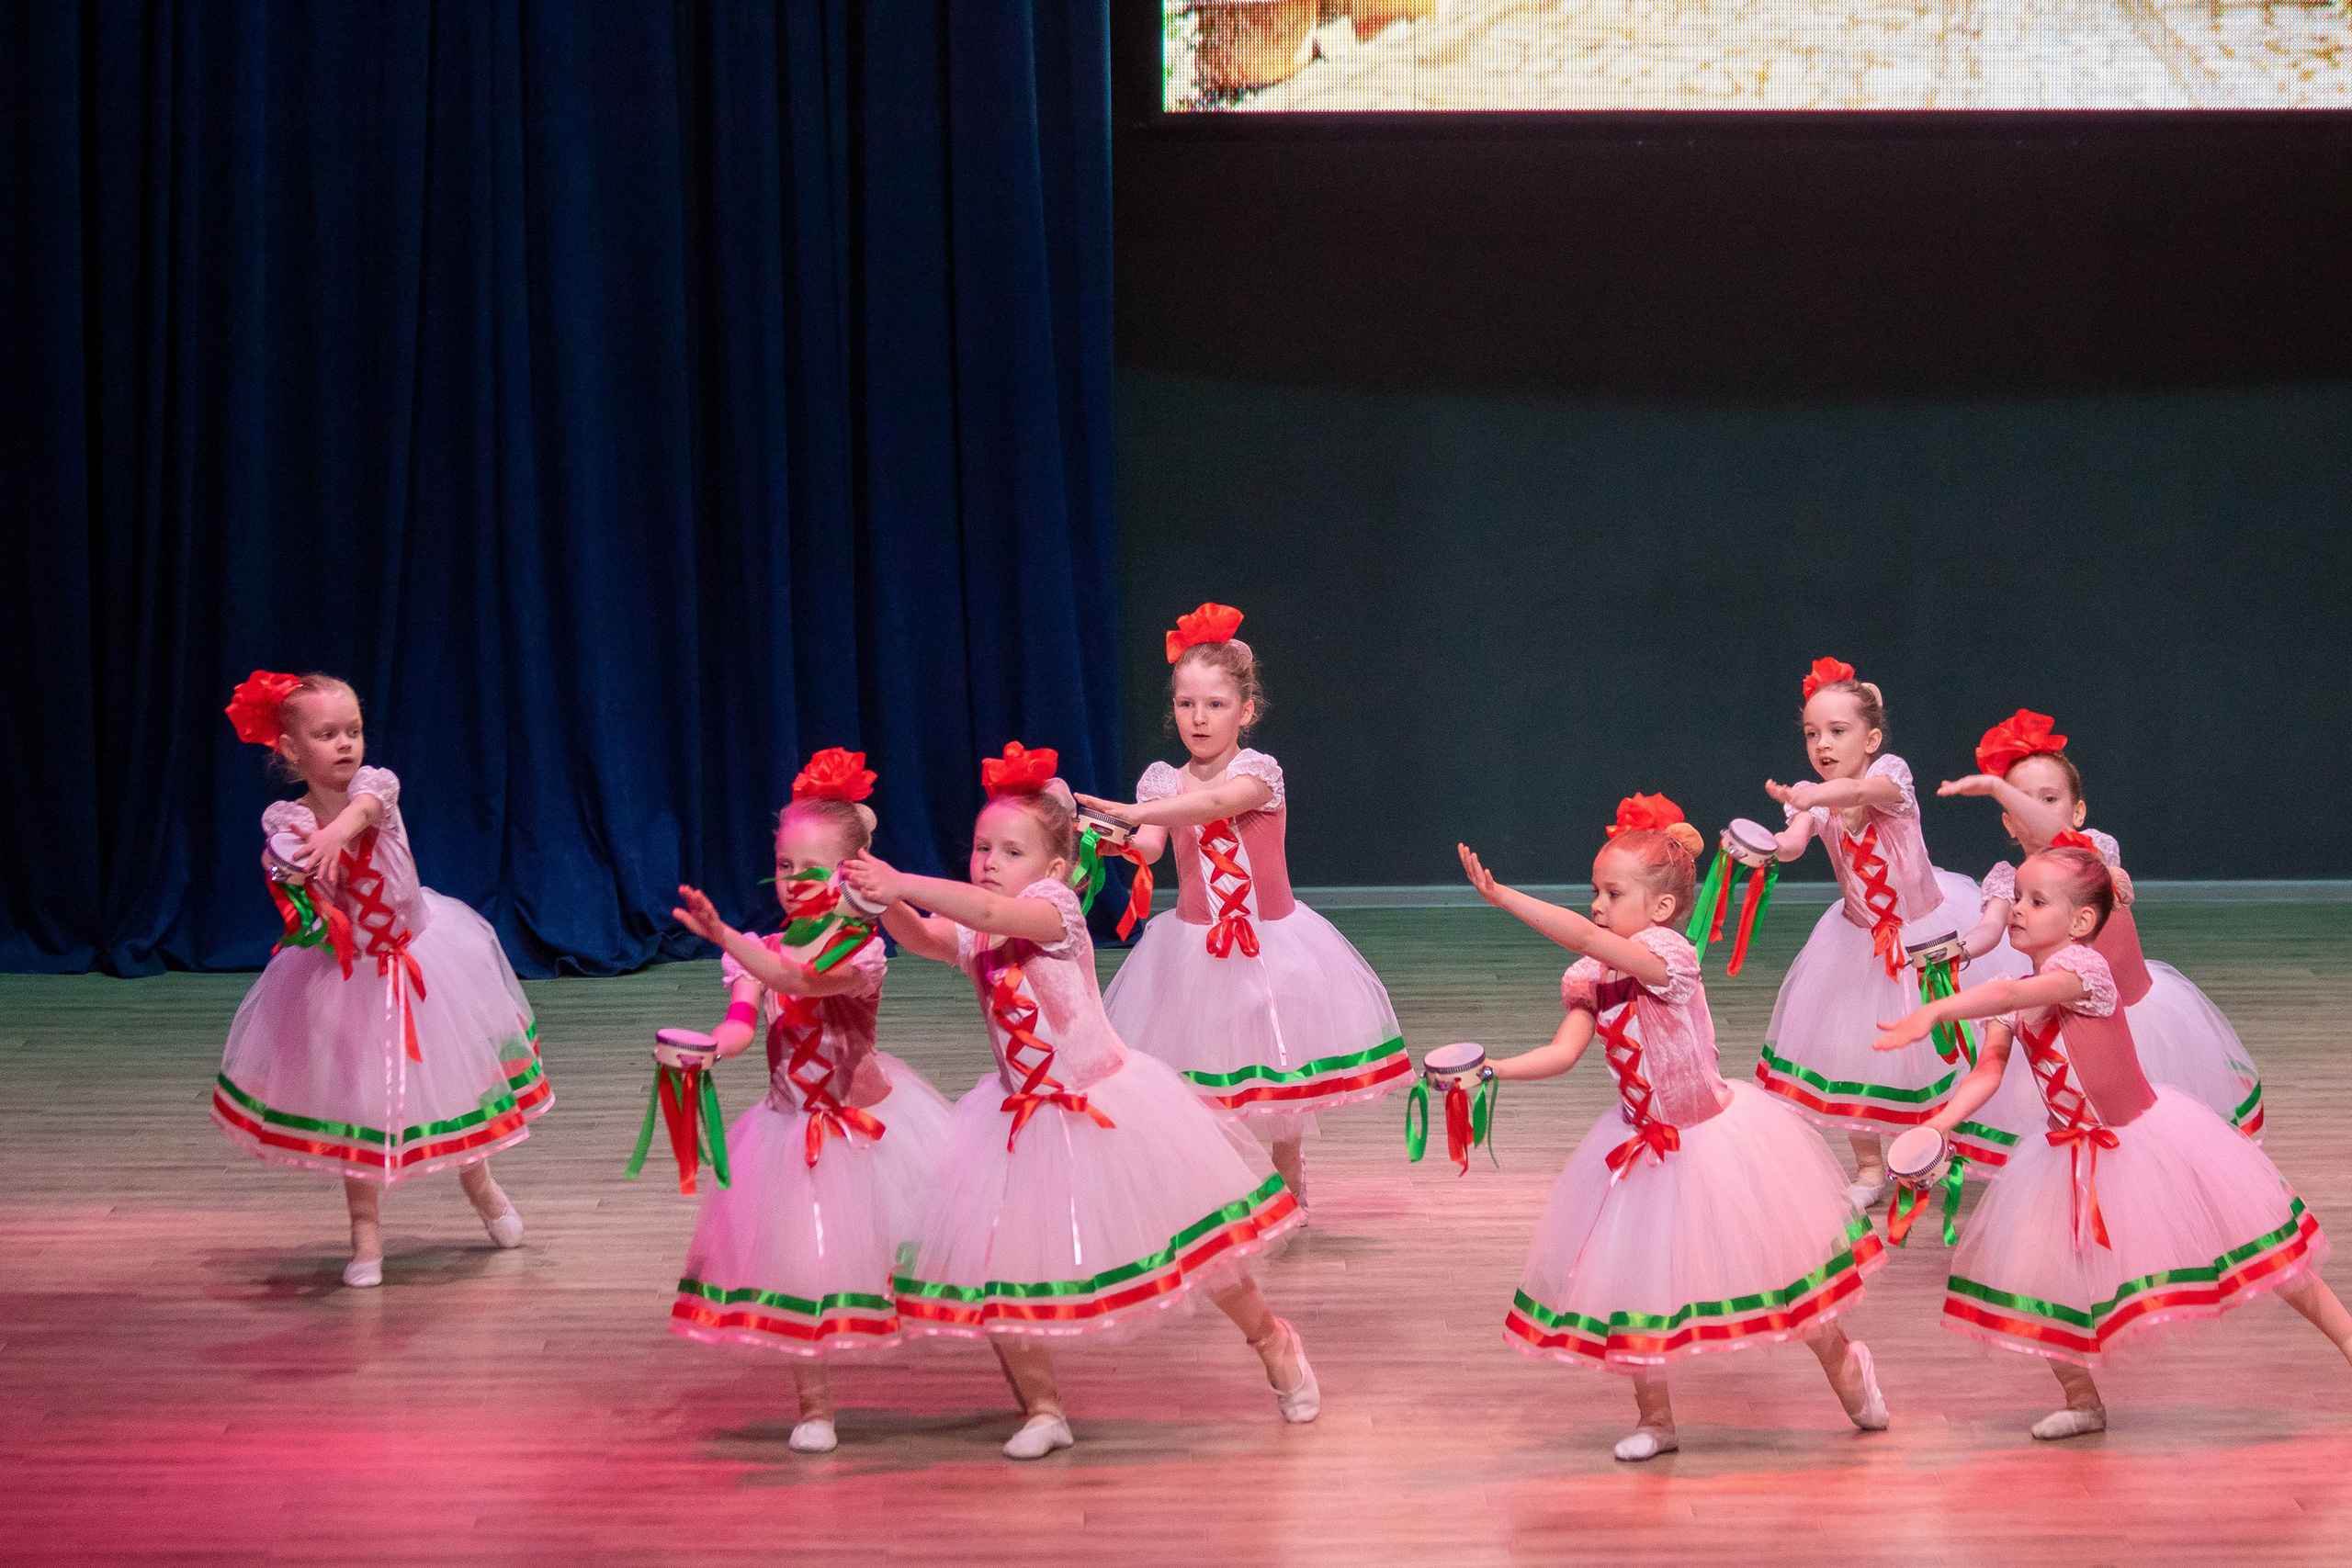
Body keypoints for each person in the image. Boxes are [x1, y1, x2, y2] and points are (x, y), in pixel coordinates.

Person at [845, 743, 1316, 1460]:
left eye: (1011, 849)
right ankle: (1042, 1407)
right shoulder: (983, 923)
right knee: (996, 1268)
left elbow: (981, 907)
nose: (990, 860)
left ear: (1056, 868)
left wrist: (903, 876)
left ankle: (1271, 1338)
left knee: (1197, 1247)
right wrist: (881, 904)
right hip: (1021, 1120)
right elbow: (936, 933)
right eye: (981, 846)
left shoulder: (1053, 910)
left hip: (1108, 1104)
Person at [1455, 795, 1890, 1462]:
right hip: (1641, 1146)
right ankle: (1655, 1418)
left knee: (1785, 1267)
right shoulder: (1594, 975)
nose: (1598, 903)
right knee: (1630, 1286)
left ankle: (1844, 1362)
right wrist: (1492, 1072)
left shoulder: (1669, 955)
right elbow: (1564, 1051)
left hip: (1716, 1141)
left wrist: (1506, 897)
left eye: (1612, 891)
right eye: (1593, 890)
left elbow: (1587, 937)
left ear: (1659, 909)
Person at [1873, 843, 2349, 1438]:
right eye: (2017, 896)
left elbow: (2014, 998)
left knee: (2256, 1241)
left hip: (2146, 1140)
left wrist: (1936, 1011)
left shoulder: (2085, 970)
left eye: (2035, 900)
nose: (2017, 908)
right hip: (2066, 1154)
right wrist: (1938, 1124)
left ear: (2080, 922)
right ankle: (2081, 1398)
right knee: (2037, 1273)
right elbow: (1987, 1071)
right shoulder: (2012, 987)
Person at [212, 671, 548, 1288]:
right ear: (290, 750)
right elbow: (290, 870)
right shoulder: (286, 820)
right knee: (356, 1107)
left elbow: (365, 811)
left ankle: (483, 1187)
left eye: (354, 730)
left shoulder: (375, 787)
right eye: (327, 734)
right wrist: (289, 878)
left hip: (422, 964)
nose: (346, 743)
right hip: (348, 979)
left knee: (456, 1095)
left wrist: (336, 831)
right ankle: (365, 1234)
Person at [666, 748, 953, 1455]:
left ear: (852, 872)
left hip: (867, 1128)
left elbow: (799, 976)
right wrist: (710, 1046)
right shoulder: (758, 949)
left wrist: (726, 935)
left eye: (813, 868)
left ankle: (1024, 1376)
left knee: (931, 1256)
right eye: (786, 867)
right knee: (801, 1266)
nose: (795, 881)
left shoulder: (861, 949)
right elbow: (744, 1015)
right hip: (789, 1129)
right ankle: (814, 1404)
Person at [1081, 603, 1409, 1217]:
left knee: (1280, 1078)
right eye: (1186, 704)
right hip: (1193, 950)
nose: (1199, 718)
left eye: (1215, 704)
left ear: (1245, 710)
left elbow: (1212, 807)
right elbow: (1151, 845)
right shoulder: (1159, 780)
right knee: (1203, 1081)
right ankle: (1214, 1197)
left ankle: (1290, 1186)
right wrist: (1102, 831)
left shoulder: (1259, 772)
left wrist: (1138, 814)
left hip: (1272, 947)